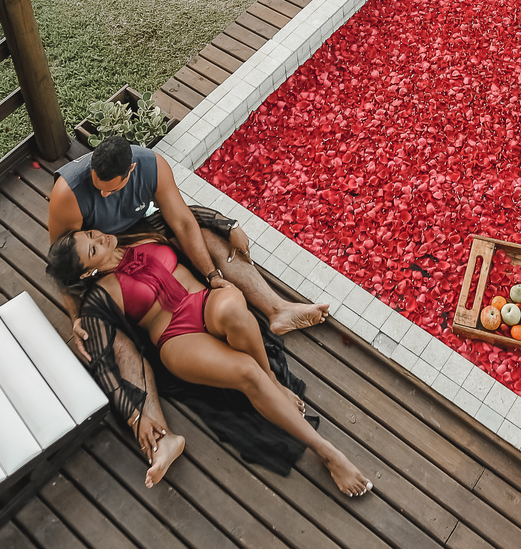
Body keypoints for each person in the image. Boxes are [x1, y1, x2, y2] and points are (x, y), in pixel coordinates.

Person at [47, 134, 330, 484]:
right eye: (98, 188)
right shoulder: (69, 199)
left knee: (206, 236)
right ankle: (158, 439)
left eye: (111, 189)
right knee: (113, 341)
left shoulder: (151, 170)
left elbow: (182, 219)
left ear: (131, 171)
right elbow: (64, 260)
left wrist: (225, 233)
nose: (103, 196)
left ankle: (277, 309)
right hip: (119, 287)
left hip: (144, 245)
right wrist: (76, 318)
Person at [46, 227, 372, 498]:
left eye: (92, 234)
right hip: (176, 339)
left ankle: (273, 380)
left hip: (205, 302)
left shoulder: (140, 234)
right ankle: (327, 452)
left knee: (233, 309)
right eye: (92, 249)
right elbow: (105, 363)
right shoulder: (98, 299)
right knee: (246, 372)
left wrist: (229, 225)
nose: (100, 238)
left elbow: (190, 219)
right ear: (89, 271)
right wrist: (134, 414)